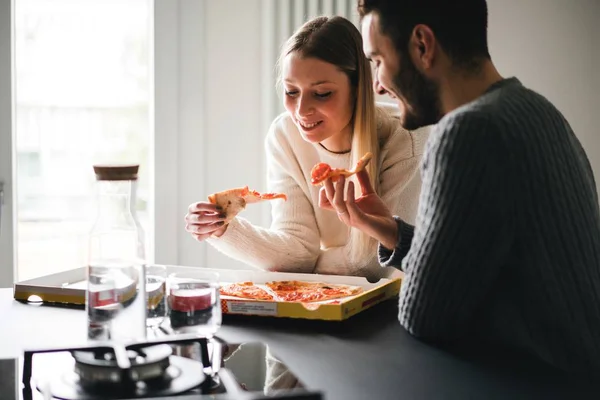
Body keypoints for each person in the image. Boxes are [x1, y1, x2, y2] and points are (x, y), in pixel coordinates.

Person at [319, 0, 600, 378]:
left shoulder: (466, 132)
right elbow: (477, 264)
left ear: (422, 45)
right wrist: (392, 233)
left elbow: (424, 315)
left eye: (378, 61)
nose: (378, 86)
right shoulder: (538, 110)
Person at [184, 16, 430, 279]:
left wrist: (308, 270)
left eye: (322, 93)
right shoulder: (284, 135)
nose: (301, 111)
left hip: (394, 301)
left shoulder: (405, 136)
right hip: (331, 295)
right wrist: (221, 229)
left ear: (358, 90)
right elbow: (298, 249)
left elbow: (373, 264)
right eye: (291, 92)